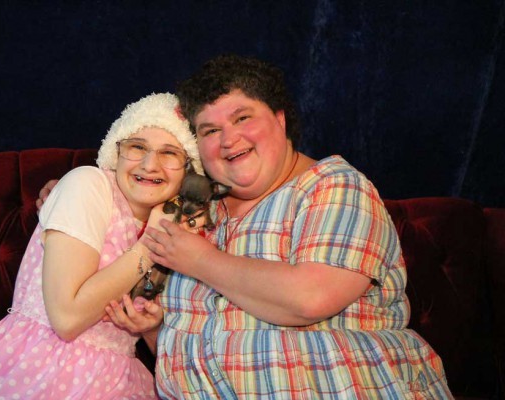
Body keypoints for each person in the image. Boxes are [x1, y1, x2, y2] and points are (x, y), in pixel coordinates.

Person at [109, 54, 454, 399]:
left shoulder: (333, 186)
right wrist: (154, 330)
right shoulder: (195, 209)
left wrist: (200, 260)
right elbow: (193, 344)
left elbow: (311, 298)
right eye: (210, 130)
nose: (228, 139)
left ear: (280, 119)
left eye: (242, 118)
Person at [0, 92, 204, 400]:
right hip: (44, 369)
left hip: (120, 379)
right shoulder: (88, 185)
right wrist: (151, 245)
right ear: (116, 152)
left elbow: (177, 360)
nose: (150, 165)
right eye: (137, 147)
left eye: (170, 153)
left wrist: (150, 328)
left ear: (189, 170)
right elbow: (66, 319)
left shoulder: (182, 229)